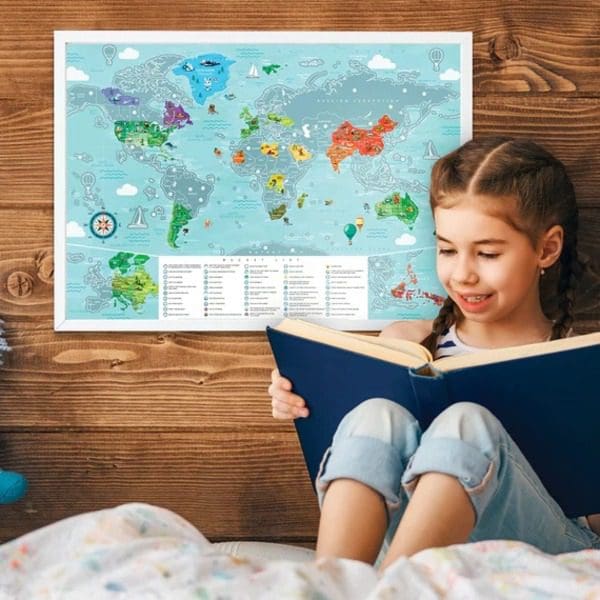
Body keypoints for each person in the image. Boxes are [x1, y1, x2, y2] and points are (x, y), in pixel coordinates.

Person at [268, 137, 600, 572]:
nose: (462, 274)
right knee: (375, 415)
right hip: (403, 543)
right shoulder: (406, 341)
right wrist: (298, 400)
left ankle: (393, 588)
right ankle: (333, 583)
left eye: (487, 253)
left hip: (540, 551)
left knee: (467, 422)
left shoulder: (581, 359)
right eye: (447, 249)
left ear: (547, 249)